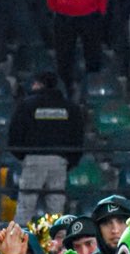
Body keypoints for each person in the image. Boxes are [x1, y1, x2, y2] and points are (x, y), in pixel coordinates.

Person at [7, 74, 83, 221]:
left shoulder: (27, 105)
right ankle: (55, 241)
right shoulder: (70, 108)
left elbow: (14, 134)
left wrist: (23, 155)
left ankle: (19, 241)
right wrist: (69, 161)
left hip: (33, 159)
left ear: (39, 84)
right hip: (59, 160)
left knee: (25, 206)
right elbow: (78, 137)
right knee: (56, 208)